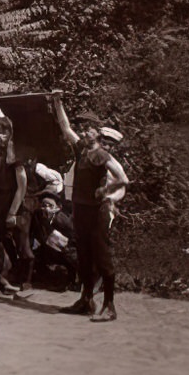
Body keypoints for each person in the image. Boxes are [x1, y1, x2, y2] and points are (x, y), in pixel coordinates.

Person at [52, 97, 129, 322]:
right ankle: (86, 300)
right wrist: (58, 103)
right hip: (81, 211)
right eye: (83, 129)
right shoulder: (81, 151)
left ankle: (110, 306)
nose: (84, 133)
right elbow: (66, 128)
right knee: (84, 258)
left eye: (89, 129)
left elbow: (123, 179)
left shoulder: (101, 155)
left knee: (102, 257)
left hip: (97, 214)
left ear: (98, 132)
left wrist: (105, 191)